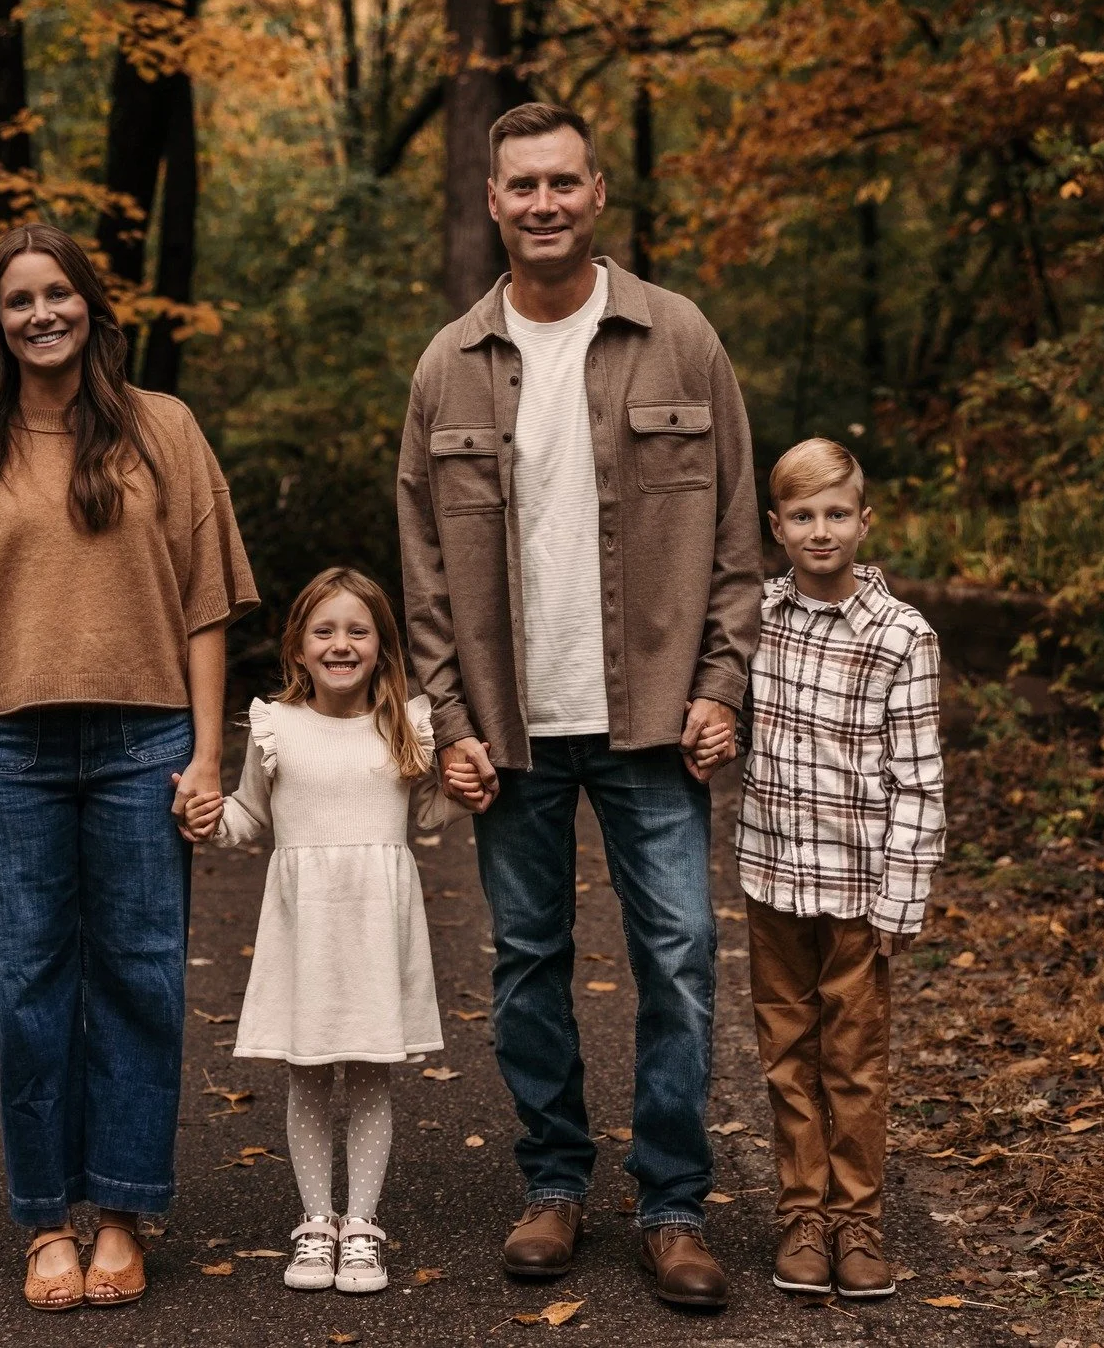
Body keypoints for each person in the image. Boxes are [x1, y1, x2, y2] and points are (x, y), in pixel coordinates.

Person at [395, 101, 762, 1309]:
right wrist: (447, 722)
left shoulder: (679, 337)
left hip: (652, 721)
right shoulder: (448, 363)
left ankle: (669, 1206)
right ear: (493, 202)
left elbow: (734, 537)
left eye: (563, 182)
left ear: (596, 194)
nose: (542, 203)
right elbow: (423, 573)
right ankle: (551, 1185)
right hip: (511, 731)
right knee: (526, 964)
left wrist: (719, 681)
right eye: (521, 186)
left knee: (681, 957)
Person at [0, 223, 258, 1311]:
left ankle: (124, 1211)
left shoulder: (162, 431)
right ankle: (45, 1221)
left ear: (92, 304)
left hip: (142, 743)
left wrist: (203, 752)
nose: (42, 314)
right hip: (4, 754)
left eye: (59, 294)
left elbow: (206, 606)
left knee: (141, 976)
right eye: (18, 300)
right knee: (26, 991)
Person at [183, 568, 455, 1296]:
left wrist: (465, 798)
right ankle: (315, 1220)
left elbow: (427, 816)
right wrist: (205, 817)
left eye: (357, 630)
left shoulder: (411, 722)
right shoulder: (276, 725)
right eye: (324, 631)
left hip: (375, 928)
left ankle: (361, 1226)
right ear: (298, 648)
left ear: (382, 644)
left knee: (368, 1073)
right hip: (305, 928)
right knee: (306, 1075)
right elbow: (247, 816)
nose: (342, 643)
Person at [736, 437, 946, 1299]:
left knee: (854, 1060)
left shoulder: (904, 636)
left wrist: (903, 899)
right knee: (787, 1053)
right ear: (776, 526)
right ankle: (802, 1214)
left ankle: (858, 1221)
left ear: (864, 521)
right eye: (801, 516)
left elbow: (920, 778)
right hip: (772, 876)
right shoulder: (754, 617)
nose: (819, 531)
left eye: (835, 514)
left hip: (859, 891)